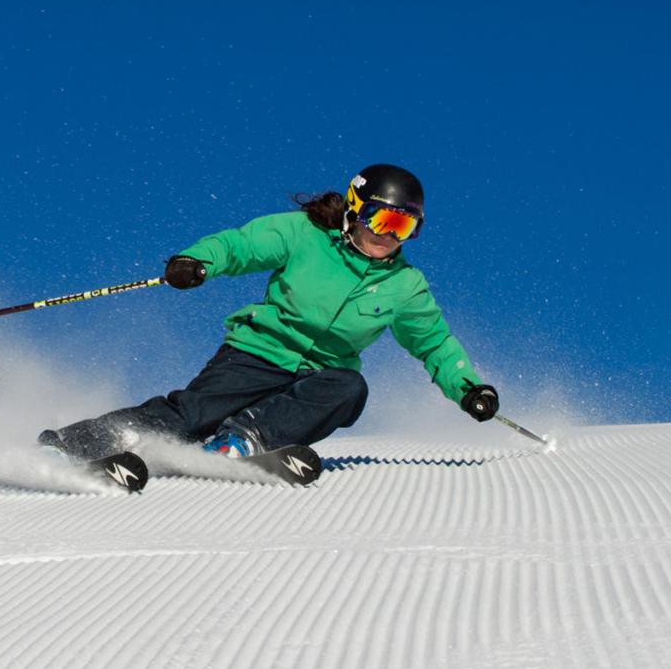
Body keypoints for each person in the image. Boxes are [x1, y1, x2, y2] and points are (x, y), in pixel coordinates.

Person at [39, 164, 499, 460]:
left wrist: (468, 388)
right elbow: (241, 245)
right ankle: (74, 444)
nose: (388, 235)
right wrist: (196, 261)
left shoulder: (405, 286)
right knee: (191, 414)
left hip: (320, 375)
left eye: (404, 226)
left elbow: (434, 342)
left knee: (349, 388)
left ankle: (243, 439)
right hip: (256, 354)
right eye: (382, 220)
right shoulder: (304, 235)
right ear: (355, 212)